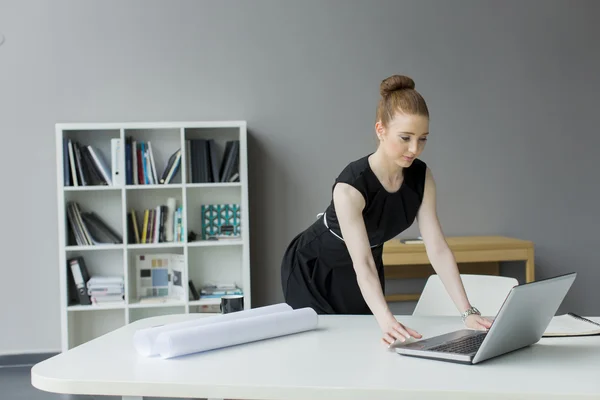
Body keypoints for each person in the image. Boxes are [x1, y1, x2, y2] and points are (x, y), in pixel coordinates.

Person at [280, 74, 493, 347]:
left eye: (423, 139)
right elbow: (363, 262)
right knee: (322, 351)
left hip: (364, 267)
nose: (414, 149)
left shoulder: (421, 177)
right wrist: (386, 317)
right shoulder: (350, 187)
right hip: (314, 268)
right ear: (380, 130)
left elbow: (437, 248)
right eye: (405, 138)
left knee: (364, 348)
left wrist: (468, 313)